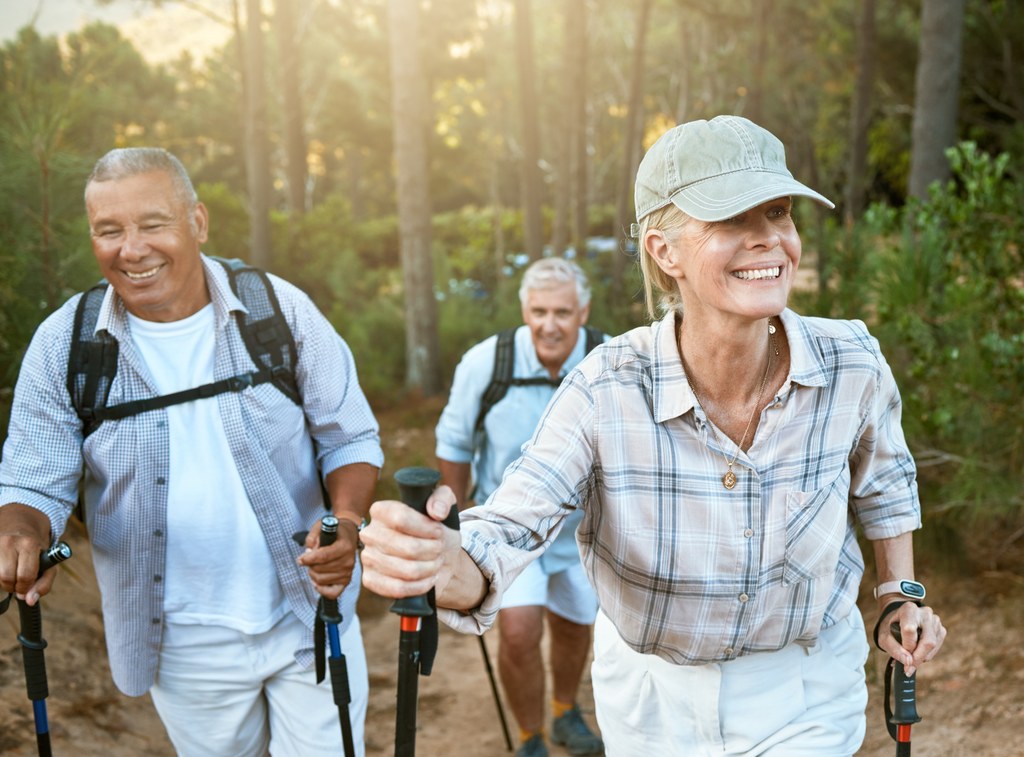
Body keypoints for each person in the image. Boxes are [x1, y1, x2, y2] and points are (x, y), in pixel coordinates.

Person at [359, 115, 947, 755]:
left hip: (804, 684)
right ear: (665, 251)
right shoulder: (604, 387)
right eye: (731, 220)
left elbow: (885, 487)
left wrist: (899, 596)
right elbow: (513, 522)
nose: (768, 240)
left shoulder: (851, 362)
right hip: (650, 698)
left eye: (778, 212)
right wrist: (449, 562)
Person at [0, 148, 383, 757]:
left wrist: (349, 521)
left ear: (197, 222)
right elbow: (33, 480)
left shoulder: (277, 310)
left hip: (308, 615)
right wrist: (21, 533)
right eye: (109, 230)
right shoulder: (64, 345)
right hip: (180, 643)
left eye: (153, 224)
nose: (132, 249)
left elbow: (350, 437)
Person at [434, 257, 604, 757]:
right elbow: (455, 442)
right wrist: (452, 527)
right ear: (524, 310)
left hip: (582, 531)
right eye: (539, 311)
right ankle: (530, 736)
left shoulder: (606, 357)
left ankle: (564, 711)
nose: (549, 325)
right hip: (508, 529)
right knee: (519, 629)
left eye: (563, 312)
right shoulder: (488, 363)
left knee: (574, 626)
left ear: (583, 311)